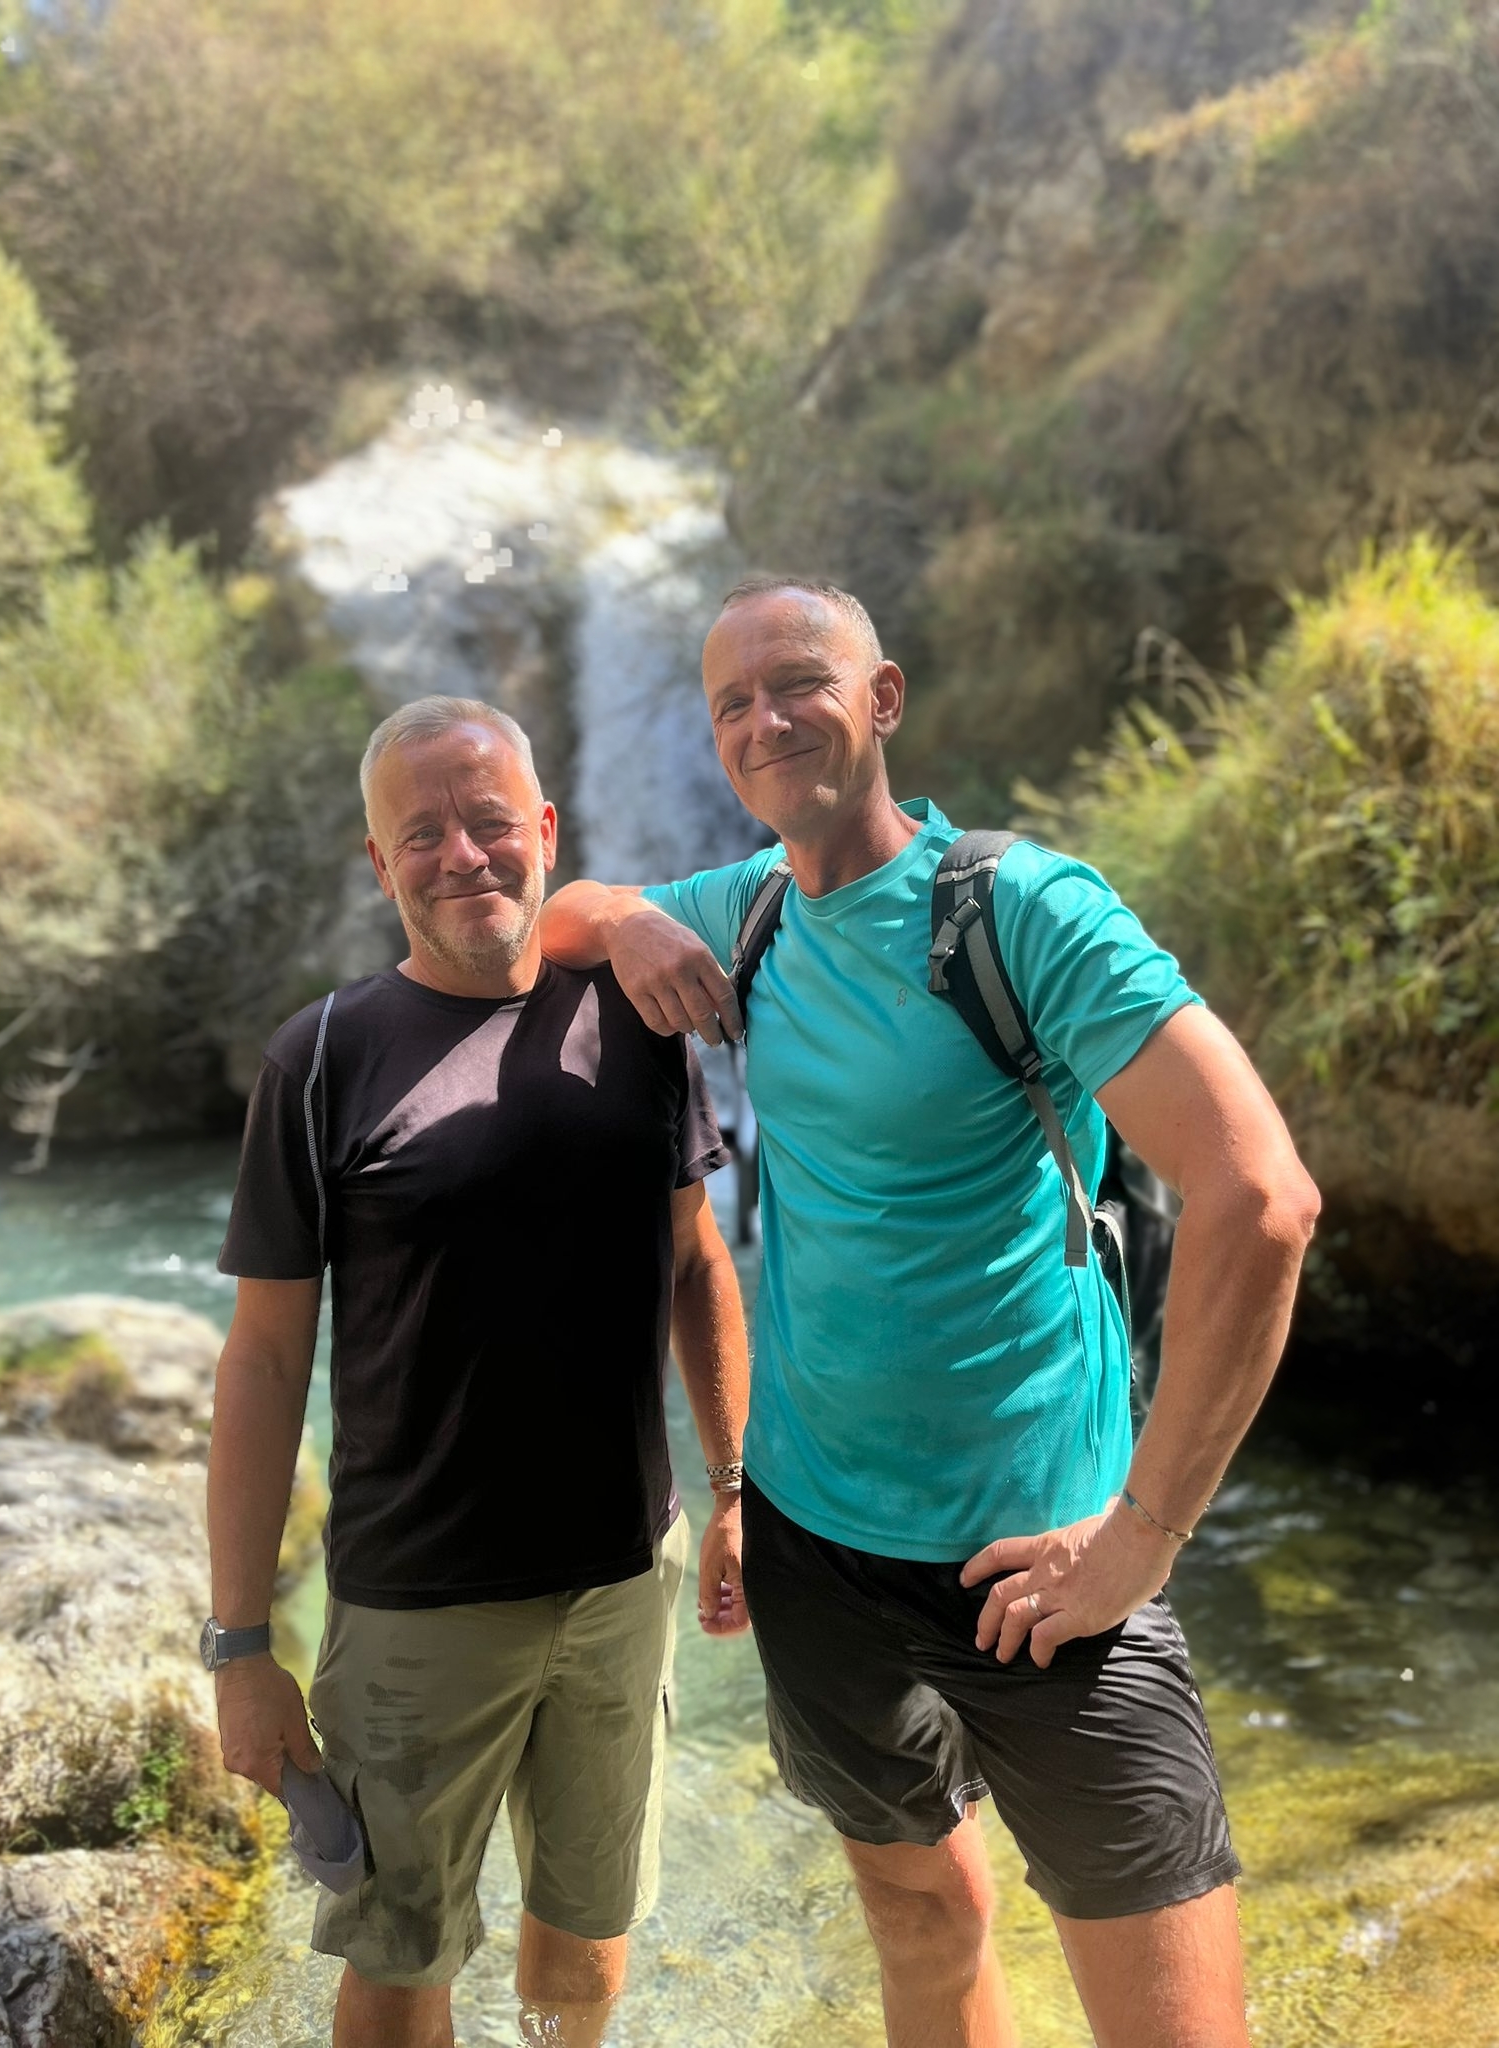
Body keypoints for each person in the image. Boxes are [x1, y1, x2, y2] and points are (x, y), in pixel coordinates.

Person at [539, 579, 1322, 2048]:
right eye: (732, 704)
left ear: (884, 698)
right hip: (818, 1548)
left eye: (799, 683)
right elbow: (558, 916)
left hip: (1046, 1561)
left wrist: (1143, 1535)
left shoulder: (1020, 910)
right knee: (921, 1919)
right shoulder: (748, 911)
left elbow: (1262, 1200)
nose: (767, 721)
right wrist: (630, 920)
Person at [206, 696, 751, 2048]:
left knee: (585, 1948)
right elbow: (267, 1362)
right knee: (399, 1968)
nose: (466, 855)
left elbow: (693, 1265)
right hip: (414, 1614)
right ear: (377, 863)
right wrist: (238, 1646)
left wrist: (735, 1483)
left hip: (626, 1582)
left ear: (546, 831)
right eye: (423, 834)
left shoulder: (637, 1021)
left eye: (493, 822)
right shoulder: (319, 1058)